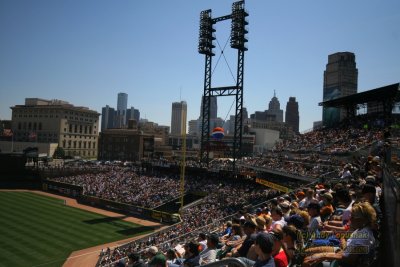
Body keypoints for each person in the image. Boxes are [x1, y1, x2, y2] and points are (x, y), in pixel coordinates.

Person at [302, 201, 377, 267]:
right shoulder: (361, 229)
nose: (350, 219)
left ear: (362, 219)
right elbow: (346, 244)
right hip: (342, 251)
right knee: (307, 253)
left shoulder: (364, 237)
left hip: (342, 259)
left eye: (353, 217)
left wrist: (324, 256)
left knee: (307, 262)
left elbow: (349, 260)